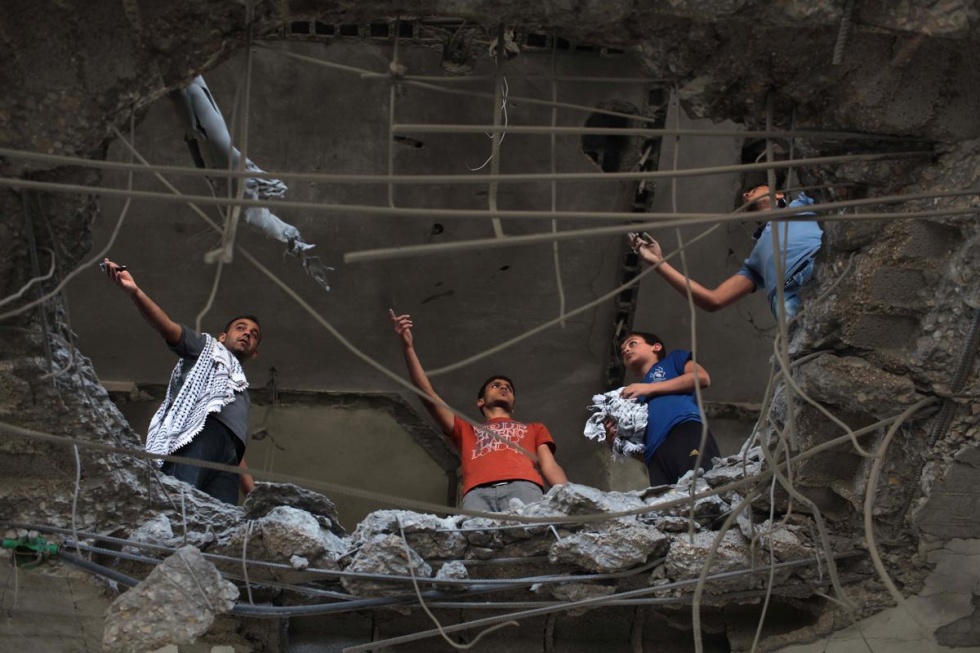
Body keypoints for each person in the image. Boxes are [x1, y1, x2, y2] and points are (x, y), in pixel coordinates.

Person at [102, 258, 257, 504]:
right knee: (178, 501)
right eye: (241, 328)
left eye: (253, 334)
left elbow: (232, 441)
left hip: (229, 457)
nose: (247, 333)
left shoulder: (241, 389)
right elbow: (167, 327)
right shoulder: (206, 348)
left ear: (255, 352)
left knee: (223, 517)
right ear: (222, 336)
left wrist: (254, 495)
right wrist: (136, 292)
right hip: (197, 435)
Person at [390, 309, 568, 512]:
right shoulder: (466, 430)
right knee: (477, 534)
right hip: (477, 493)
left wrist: (570, 498)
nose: (503, 388)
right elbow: (427, 395)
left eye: (508, 388)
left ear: (513, 404)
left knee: (529, 531)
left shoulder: (535, 429)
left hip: (524, 486)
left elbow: (549, 465)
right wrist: (408, 348)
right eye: (495, 385)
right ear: (480, 402)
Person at [630, 185, 822, 320]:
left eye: (754, 190)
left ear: (778, 194)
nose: (745, 194)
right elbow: (713, 300)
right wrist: (659, 263)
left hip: (820, 267)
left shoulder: (803, 203)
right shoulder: (756, 260)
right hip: (787, 299)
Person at [611, 331, 721, 486]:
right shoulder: (634, 396)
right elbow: (640, 451)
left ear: (656, 347)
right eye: (623, 352)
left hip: (684, 429)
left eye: (632, 343)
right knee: (670, 500)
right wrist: (615, 441)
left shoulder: (673, 360)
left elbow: (702, 378)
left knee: (703, 487)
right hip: (654, 457)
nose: (626, 350)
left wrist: (648, 388)